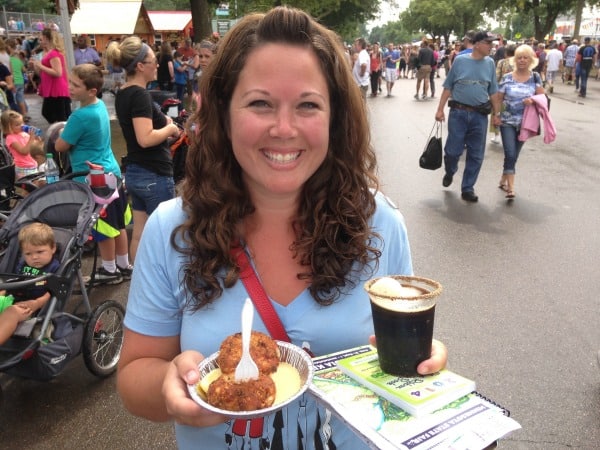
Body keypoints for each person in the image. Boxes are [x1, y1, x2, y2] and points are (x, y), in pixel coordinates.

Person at [116, 7, 448, 449]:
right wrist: (167, 387)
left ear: (335, 117)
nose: (284, 128)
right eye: (260, 103)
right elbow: (135, 375)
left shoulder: (380, 223)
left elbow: (394, 357)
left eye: (308, 105)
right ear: (223, 112)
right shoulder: (171, 229)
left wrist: (419, 364)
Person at [54, 64, 133, 284]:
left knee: (102, 227)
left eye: (75, 85)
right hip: (111, 172)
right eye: (70, 82)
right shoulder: (98, 107)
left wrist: (61, 133)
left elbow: (61, 145)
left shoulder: (80, 116)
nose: (70, 87)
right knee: (118, 224)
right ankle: (123, 265)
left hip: (94, 179)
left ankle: (109, 271)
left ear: (92, 91)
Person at [105, 36, 179, 261]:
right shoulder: (139, 95)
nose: (157, 65)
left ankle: (138, 283)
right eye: (152, 61)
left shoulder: (124, 93)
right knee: (165, 235)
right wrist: (171, 129)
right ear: (139, 66)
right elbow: (145, 138)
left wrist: (162, 121)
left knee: (140, 233)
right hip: (153, 173)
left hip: (137, 173)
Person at [435, 30, 501, 203]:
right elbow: (448, 86)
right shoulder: (460, 61)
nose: (491, 47)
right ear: (477, 44)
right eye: (488, 43)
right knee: (452, 151)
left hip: (479, 116)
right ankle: (450, 171)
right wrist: (440, 109)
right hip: (458, 113)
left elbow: (493, 91)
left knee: (476, 154)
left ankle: (467, 188)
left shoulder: (490, 64)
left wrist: (497, 114)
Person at [496, 45, 545, 200]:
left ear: (531, 60)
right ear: (514, 60)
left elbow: (542, 99)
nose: (522, 60)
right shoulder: (507, 77)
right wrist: (496, 115)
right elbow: (498, 98)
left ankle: (503, 179)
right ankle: (511, 188)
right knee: (510, 153)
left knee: (514, 155)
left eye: (525, 57)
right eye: (519, 57)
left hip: (526, 123)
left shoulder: (535, 77)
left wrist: (533, 100)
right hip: (507, 121)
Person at [0, 222, 60, 345]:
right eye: (28, 254)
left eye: (39, 252)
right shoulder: (23, 265)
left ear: (53, 248)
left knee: (11, 312)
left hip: (33, 308)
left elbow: (53, 292)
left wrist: (36, 303)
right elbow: (15, 282)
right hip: (13, 298)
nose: (34, 257)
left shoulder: (54, 268)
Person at [31, 28, 71, 125]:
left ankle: (61, 132)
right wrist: (36, 66)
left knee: (55, 114)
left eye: (41, 39)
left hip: (56, 89)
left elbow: (58, 73)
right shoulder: (52, 53)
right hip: (54, 88)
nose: (40, 41)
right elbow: (42, 72)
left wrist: (40, 65)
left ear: (46, 38)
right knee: (57, 114)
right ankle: (59, 131)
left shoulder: (54, 54)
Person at [1, 110, 43, 180]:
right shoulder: (10, 138)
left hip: (33, 164)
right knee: (28, 187)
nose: (22, 126)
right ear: (8, 127)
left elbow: (35, 146)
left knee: (35, 184)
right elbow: (24, 152)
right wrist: (31, 138)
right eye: (17, 125)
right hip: (24, 167)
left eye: (22, 123)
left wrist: (37, 137)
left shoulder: (24, 133)